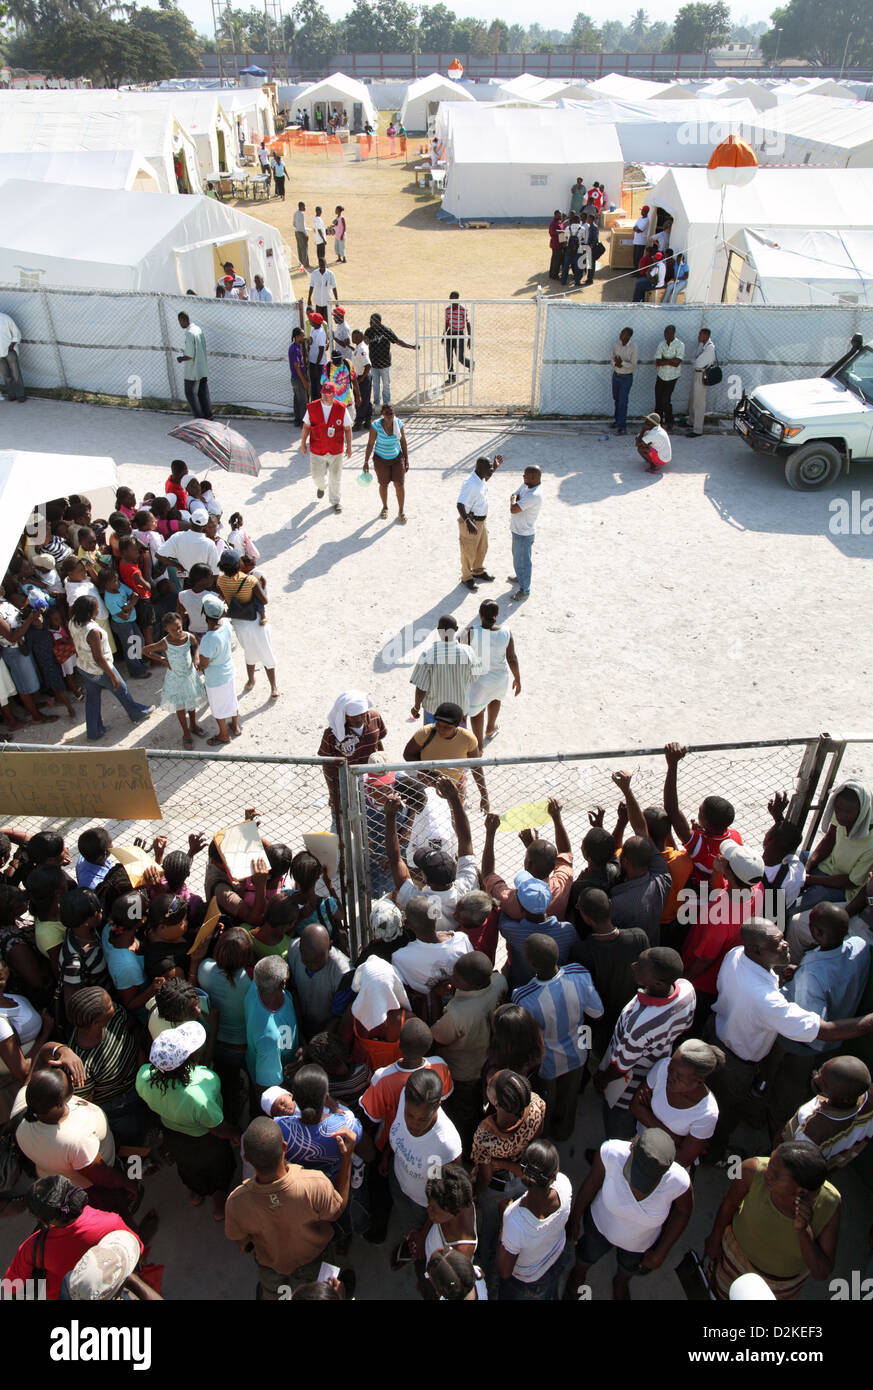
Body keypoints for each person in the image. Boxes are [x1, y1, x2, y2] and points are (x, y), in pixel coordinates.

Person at [705, 917, 873, 1161]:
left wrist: (780, 976)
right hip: (737, 1063)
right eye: (777, 942)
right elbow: (824, 1030)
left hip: (720, 1033)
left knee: (721, 1096)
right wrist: (868, 1023)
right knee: (724, 1112)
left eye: (782, 937)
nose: (785, 944)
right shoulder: (766, 1000)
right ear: (756, 949)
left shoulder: (737, 954)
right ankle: (715, 1154)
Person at [225, 1115, 355, 1299]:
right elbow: (337, 1210)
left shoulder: (236, 1202)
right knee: (321, 1293)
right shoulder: (314, 1183)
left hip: (271, 1263)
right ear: (284, 1147)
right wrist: (347, 1157)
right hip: (314, 1256)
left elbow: (243, 1243)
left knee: (272, 1292)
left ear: (246, 1158)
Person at [767, 905, 870, 1135]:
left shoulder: (812, 975)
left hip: (803, 1046)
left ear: (818, 934)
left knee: (787, 1086)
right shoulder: (860, 946)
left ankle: (777, 1128)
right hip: (836, 1039)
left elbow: (809, 1028)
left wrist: (800, 979)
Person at [566, 1129, 693, 1301]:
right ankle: (578, 1276)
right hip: (600, 1227)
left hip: (639, 1244)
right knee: (587, 1254)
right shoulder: (611, 1152)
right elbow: (590, 1184)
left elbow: (683, 1212)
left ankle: (621, 1282)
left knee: (628, 1267)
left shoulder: (679, 1181)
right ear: (632, 1149)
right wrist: (575, 1216)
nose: (636, 1189)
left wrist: (660, 1253)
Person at [705, 1141, 840, 1300]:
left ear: (801, 1191)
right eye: (770, 1162)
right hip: (730, 1264)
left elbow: (821, 1272)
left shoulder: (830, 1203)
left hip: (777, 1288)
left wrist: (803, 1230)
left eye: (775, 1174)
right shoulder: (752, 1170)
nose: (767, 1172)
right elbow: (730, 1203)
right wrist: (714, 1238)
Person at [595, 947, 695, 1140]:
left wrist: (602, 1079)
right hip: (656, 1065)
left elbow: (621, 1067)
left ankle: (615, 1152)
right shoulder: (687, 990)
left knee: (618, 1120)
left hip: (627, 1083)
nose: (634, 966)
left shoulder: (640, 1024)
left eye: (640, 968)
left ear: (657, 983)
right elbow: (686, 1025)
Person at [513, 934, 603, 1141]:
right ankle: (564, 1132)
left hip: (548, 1064)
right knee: (569, 1097)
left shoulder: (524, 997)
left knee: (546, 1102)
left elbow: (526, 1039)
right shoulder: (580, 974)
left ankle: (544, 1137)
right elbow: (597, 1012)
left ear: (531, 962)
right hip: (579, 1054)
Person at [3, 1176, 142, 1302]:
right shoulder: (112, 1223)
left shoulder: (33, 1247)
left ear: (45, 1220)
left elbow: (11, 1287)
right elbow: (135, 1249)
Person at [431, 952, 506, 1151]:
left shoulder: (458, 1014)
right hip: (488, 1061)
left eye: (456, 978)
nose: (451, 979)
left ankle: (469, 1149)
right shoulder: (499, 982)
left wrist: (433, 997)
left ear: (473, 986)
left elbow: (436, 1038)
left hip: (463, 1071)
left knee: (465, 1113)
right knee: (478, 1103)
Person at [571, 888, 649, 1056]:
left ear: (586, 918)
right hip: (631, 1019)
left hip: (598, 1025)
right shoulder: (639, 937)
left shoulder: (582, 951)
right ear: (611, 905)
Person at [387, 1068, 462, 1238]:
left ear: (437, 1106)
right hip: (398, 1183)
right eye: (409, 1115)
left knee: (415, 1234)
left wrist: (423, 1234)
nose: (414, 1124)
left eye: (422, 1119)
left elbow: (445, 1197)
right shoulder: (404, 1096)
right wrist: (386, 1156)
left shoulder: (446, 1145)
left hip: (422, 1205)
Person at [68, 596, 152, 742]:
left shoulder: (73, 621)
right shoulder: (92, 631)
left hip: (84, 667)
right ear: (89, 611)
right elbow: (99, 658)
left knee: (92, 700)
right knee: (121, 689)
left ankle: (94, 731)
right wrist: (112, 675)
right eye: (96, 607)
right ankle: (137, 713)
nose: (98, 609)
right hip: (99, 669)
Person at [497, 1138, 571, 1300]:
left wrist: (503, 1225)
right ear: (554, 1174)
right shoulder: (564, 1185)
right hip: (557, 1257)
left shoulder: (514, 1219)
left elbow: (504, 1271)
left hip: (527, 1281)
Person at [629, 1038, 722, 1167]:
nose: (670, 1077)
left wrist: (648, 1114)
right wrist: (675, 1139)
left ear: (699, 1081)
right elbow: (635, 1106)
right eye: (670, 1069)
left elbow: (682, 1159)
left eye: (679, 1077)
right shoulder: (662, 1067)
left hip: (663, 1167)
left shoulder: (707, 1114)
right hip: (637, 1145)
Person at [781, 1055, 873, 1169]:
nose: (816, 1078)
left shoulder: (813, 1130)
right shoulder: (864, 1097)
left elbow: (792, 1160)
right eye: (820, 1070)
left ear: (846, 1099)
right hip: (833, 1162)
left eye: (825, 1084)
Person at [216, 549, 278, 699]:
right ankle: (273, 686)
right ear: (239, 563)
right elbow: (264, 601)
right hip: (255, 620)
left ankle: (251, 679)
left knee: (248, 650)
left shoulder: (220, 580)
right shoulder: (250, 580)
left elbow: (225, 597)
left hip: (238, 621)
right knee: (266, 650)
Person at [142, 611, 206, 748]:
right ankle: (186, 733)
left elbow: (195, 646)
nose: (177, 631)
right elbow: (146, 650)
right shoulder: (165, 642)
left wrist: (196, 657)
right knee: (181, 707)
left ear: (182, 623)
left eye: (179, 627)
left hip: (189, 677)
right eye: (173, 629)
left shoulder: (189, 637)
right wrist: (162, 659)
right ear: (166, 629)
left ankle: (194, 725)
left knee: (192, 702)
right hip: (176, 680)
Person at [462, 600, 520, 749]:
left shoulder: (470, 632)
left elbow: (459, 654)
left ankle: (479, 746)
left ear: (480, 615)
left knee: (476, 712)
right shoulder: (506, 632)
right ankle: (490, 728)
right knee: (495, 699)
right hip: (500, 679)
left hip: (478, 681)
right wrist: (518, 679)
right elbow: (512, 658)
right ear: (497, 615)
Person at [244, 956, 298, 1100]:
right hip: (283, 1082)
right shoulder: (269, 1039)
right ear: (282, 984)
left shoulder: (256, 986)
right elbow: (267, 1089)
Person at [286, 924, 350, 1038]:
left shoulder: (343, 973)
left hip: (327, 1032)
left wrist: (315, 1044)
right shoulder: (292, 950)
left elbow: (338, 1015)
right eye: (307, 961)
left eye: (317, 962)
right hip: (300, 1025)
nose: (312, 966)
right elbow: (293, 991)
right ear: (300, 948)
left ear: (330, 947)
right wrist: (299, 1033)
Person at [300, 381, 353, 514]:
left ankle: (335, 501)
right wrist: (302, 443)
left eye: (329, 394)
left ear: (334, 394)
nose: (326, 397)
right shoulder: (312, 407)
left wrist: (349, 446)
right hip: (317, 449)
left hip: (336, 449)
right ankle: (321, 487)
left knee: (335, 477)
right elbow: (306, 426)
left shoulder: (341, 408)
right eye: (324, 394)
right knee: (316, 477)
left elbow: (347, 428)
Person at [197, 593, 240, 745]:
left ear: (204, 614)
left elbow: (204, 664)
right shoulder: (227, 624)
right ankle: (235, 727)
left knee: (218, 707)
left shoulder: (208, 639)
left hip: (215, 678)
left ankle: (223, 735)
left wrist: (197, 664)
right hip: (228, 670)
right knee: (231, 699)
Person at [456, 453, 502, 592]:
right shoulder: (470, 484)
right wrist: (468, 521)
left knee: (482, 547)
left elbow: (486, 478)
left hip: (481, 521)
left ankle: (478, 570)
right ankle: (466, 577)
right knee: (468, 551)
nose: (491, 470)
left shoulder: (480, 478)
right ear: (480, 468)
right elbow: (460, 504)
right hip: (471, 522)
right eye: (489, 468)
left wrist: (495, 467)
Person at [364, 403, 409, 523]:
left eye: (391, 414)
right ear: (382, 415)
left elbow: (403, 442)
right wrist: (366, 461)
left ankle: (401, 510)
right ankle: (385, 507)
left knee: (399, 484)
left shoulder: (398, 423)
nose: (389, 416)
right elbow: (370, 444)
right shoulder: (376, 426)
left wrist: (406, 459)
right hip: (380, 459)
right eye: (387, 414)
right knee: (383, 485)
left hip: (396, 458)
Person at [367, 312, 417, 409]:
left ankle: (386, 404)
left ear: (378, 322)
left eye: (372, 322)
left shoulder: (386, 331)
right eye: (370, 321)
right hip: (373, 363)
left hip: (385, 363)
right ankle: (376, 404)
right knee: (375, 385)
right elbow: (365, 342)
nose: (370, 323)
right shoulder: (369, 331)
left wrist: (411, 347)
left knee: (386, 384)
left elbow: (397, 341)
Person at [508, 464, 542, 601]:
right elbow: (515, 494)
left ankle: (525, 590)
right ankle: (520, 576)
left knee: (524, 562)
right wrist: (514, 500)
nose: (523, 477)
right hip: (518, 530)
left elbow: (514, 508)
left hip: (523, 534)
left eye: (525, 475)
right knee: (518, 559)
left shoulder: (534, 495)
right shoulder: (527, 485)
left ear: (533, 477)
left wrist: (512, 501)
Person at [176, 313, 212, 420]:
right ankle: (208, 416)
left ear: (184, 319)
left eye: (180, 321)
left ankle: (198, 418)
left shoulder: (189, 333)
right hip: (202, 368)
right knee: (203, 393)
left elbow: (189, 355)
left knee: (190, 393)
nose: (180, 324)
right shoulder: (198, 329)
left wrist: (181, 358)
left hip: (193, 371)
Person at [686, 327, 717, 437]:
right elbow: (692, 358)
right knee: (693, 399)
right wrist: (696, 361)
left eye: (700, 335)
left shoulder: (710, 348)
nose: (698, 337)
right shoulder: (701, 345)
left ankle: (698, 429)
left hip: (702, 374)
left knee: (699, 402)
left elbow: (698, 363)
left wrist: (696, 361)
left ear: (706, 336)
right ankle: (691, 421)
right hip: (697, 373)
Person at [654, 324, 685, 431]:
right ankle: (657, 422)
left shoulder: (680, 344)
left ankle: (669, 421)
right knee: (658, 399)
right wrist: (670, 360)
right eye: (665, 332)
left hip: (672, 377)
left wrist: (664, 361)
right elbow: (657, 361)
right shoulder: (661, 344)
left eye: (668, 332)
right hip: (661, 375)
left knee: (665, 400)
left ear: (673, 333)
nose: (666, 335)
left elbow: (677, 362)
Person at [610, 327, 637, 436]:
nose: (621, 335)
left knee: (623, 401)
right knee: (616, 398)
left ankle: (622, 426)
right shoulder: (616, 345)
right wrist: (615, 364)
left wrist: (622, 363)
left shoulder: (633, 347)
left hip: (626, 377)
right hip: (616, 375)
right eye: (621, 333)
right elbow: (612, 357)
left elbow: (633, 365)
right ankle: (617, 421)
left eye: (624, 334)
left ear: (629, 336)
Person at [443, 291, 470, 382]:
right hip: (450, 334)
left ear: (458, 298)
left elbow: (467, 323)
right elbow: (447, 323)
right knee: (449, 356)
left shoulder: (462, 309)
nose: (452, 300)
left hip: (459, 334)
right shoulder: (447, 310)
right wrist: (444, 334)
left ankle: (470, 364)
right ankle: (451, 377)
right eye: (451, 298)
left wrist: (469, 338)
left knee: (460, 357)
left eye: (454, 298)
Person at [0, 309, 26, 402]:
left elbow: (16, 332)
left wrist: (11, 346)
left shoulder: (5, 318)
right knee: (6, 375)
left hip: (9, 351)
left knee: (16, 374)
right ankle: (11, 395)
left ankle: (21, 395)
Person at [351, 329, 372, 431]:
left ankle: (359, 421)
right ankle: (368, 420)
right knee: (366, 399)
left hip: (362, 377)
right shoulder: (359, 347)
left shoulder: (361, 349)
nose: (352, 338)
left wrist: (361, 379)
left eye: (354, 337)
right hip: (361, 377)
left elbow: (368, 365)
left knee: (360, 400)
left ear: (359, 337)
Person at [307, 255, 338, 322]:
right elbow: (311, 286)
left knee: (327, 321)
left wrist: (336, 301)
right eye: (320, 265)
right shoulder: (314, 274)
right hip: (318, 302)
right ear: (319, 265)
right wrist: (309, 298)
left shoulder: (330, 274)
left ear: (325, 264)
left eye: (323, 265)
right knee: (318, 321)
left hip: (327, 303)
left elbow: (334, 288)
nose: (322, 266)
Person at [288, 327, 309, 427]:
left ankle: (297, 419)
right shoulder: (295, 349)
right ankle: (303, 422)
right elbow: (297, 366)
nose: (303, 337)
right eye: (302, 335)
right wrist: (304, 381)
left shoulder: (295, 347)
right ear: (297, 337)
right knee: (302, 400)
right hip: (298, 378)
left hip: (296, 378)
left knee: (297, 399)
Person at [306, 311, 328, 398]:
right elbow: (312, 340)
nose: (310, 322)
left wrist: (316, 365)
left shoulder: (321, 333)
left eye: (311, 321)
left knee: (319, 386)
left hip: (318, 364)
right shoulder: (314, 328)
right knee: (313, 386)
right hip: (312, 361)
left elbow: (321, 350)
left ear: (315, 323)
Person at [631, 205, 650, 269]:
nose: (641, 212)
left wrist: (636, 229)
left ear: (646, 211)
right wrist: (636, 229)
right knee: (634, 256)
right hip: (636, 240)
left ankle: (638, 271)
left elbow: (639, 230)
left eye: (642, 210)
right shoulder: (640, 218)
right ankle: (634, 269)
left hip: (641, 241)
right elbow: (634, 227)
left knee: (638, 257)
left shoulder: (646, 220)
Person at [293, 202, 311, 269]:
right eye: (304, 206)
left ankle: (300, 263)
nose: (305, 208)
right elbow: (303, 226)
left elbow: (294, 224)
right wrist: (306, 234)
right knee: (304, 248)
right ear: (300, 207)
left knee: (299, 248)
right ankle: (306, 264)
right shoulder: (302, 214)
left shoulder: (295, 213)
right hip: (302, 232)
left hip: (297, 232)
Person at [548, 211, 564, 282]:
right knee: (556, 260)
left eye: (560, 214)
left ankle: (553, 274)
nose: (560, 215)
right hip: (555, 244)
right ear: (555, 215)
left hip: (560, 243)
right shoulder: (553, 223)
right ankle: (554, 275)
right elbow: (552, 232)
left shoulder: (559, 222)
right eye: (558, 214)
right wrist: (561, 231)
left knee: (556, 259)